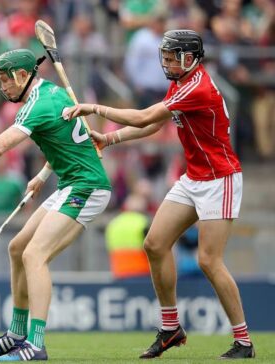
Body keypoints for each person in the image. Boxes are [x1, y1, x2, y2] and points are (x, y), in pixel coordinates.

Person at [64, 29, 254, 359]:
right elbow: (155, 125)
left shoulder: (197, 87)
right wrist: (110, 139)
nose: (165, 63)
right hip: (193, 177)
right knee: (154, 244)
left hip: (219, 179)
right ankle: (170, 329)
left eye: (171, 57)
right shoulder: (181, 82)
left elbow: (145, 116)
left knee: (209, 260)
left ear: (190, 58)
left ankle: (243, 341)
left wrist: (93, 107)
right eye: (164, 57)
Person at [0, 49, 111, 361]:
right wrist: (42, 175)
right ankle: (16, 335)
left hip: (87, 187)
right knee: (17, 248)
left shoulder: (36, 105)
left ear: (22, 75)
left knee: (34, 255)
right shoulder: (52, 92)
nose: (3, 87)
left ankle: (36, 343)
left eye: (6, 80)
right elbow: (63, 140)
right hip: (69, 182)